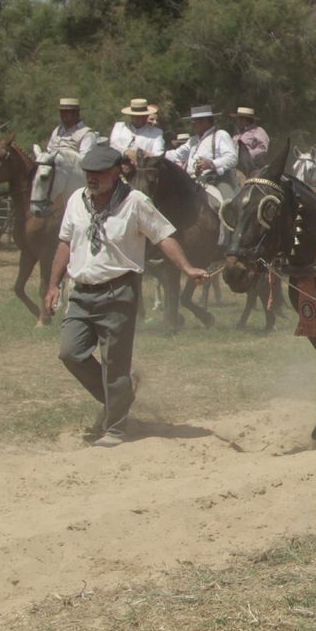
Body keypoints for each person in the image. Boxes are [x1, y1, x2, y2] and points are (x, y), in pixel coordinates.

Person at [41, 144, 209, 446]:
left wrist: (187, 267)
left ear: (117, 172)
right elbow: (65, 243)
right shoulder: (77, 202)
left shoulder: (135, 202)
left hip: (118, 292)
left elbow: (163, 235)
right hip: (81, 293)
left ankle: (116, 427)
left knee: (115, 364)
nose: (91, 178)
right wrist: (53, 285)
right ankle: (119, 397)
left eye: (99, 173)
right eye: (88, 173)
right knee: (70, 352)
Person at [166, 105, 239, 202]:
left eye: (195, 121)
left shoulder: (220, 135)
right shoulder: (193, 140)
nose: (193, 124)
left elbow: (232, 158)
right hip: (192, 182)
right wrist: (156, 155)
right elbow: (176, 155)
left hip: (216, 180)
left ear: (205, 121)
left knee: (229, 205)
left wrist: (211, 164)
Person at [107, 98, 165, 165]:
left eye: (143, 116)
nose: (140, 119)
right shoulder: (119, 127)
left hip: (143, 168)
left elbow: (159, 153)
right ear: (131, 116)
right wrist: (127, 152)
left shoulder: (156, 133)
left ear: (147, 116)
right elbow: (113, 145)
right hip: (118, 165)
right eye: (137, 116)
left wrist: (145, 155)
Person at [45, 97, 99, 161]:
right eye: (62, 112)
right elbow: (49, 149)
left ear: (76, 113)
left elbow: (84, 160)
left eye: (67, 112)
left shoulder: (87, 134)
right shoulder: (57, 130)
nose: (63, 115)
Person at [232, 107, 270, 174]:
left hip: (253, 167)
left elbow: (262, 149)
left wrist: (246, 155)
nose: (237, 121)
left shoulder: (258, 131)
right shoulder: (236, 135)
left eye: (239, 119)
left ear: (246, 120)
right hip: (235, 166)